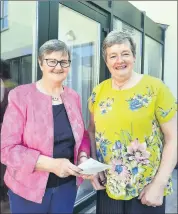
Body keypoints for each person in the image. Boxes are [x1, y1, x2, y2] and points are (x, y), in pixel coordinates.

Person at [88, 31, 177, 214]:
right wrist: (94, 166)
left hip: (146, 191)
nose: (119, 60)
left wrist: (159, 184)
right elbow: (91, 131)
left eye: (125, 54)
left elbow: (173, 138)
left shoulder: (155, 88)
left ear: (134, 57)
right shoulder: (98, 92)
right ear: (107, 62)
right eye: (113, 56)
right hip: (108, 188)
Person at [1, 40, 92, 214]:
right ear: (41, 63)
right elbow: (6, 150)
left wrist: (82, 157)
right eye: (51, 61)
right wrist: (52, 165)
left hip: (67, 188)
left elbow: (83, 136)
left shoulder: (73, 96)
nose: (58, 67)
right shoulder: (21, 96)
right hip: (27, 191)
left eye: (63, 62)